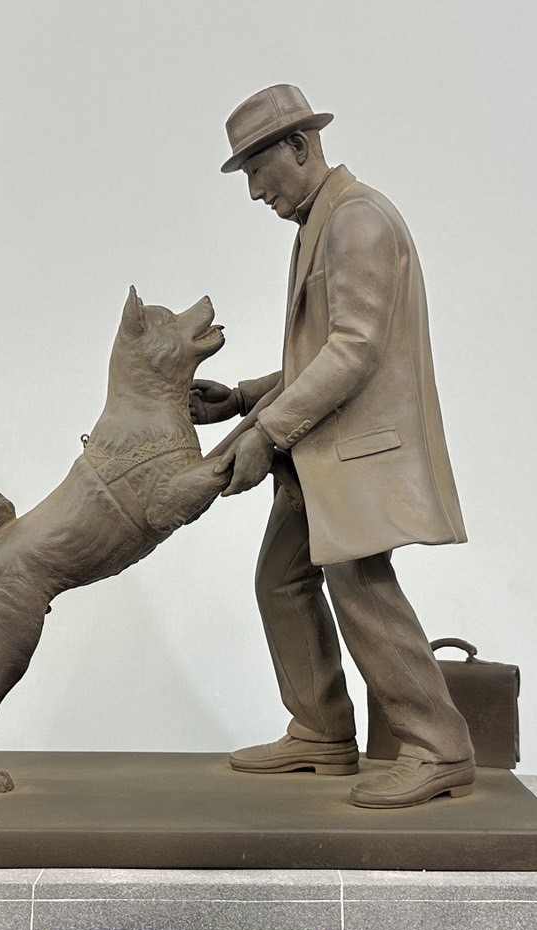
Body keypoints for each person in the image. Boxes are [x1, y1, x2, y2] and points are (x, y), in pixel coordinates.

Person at [194, 84, 475, 808]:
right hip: (319, 452)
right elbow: (322, 352)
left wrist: (267, 434)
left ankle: (439, 746)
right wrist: (246, 398)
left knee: (360, 589)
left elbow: (354, 351)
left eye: (259, 169)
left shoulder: (356, 220)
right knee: (280, 581)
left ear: (299, 146)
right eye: (246, 174)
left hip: (354, 454)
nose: (255, 191)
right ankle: (320, 731)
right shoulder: (322, 222)